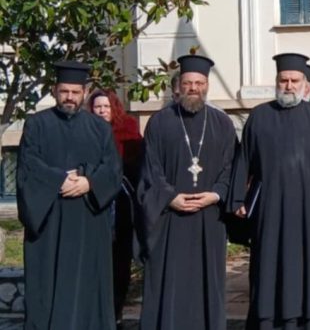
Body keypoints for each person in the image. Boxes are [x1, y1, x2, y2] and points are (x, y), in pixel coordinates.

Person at [229, 53, 310, 330]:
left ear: (304, 84)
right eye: (283, 80)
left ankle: (305, 320)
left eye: (294, 80)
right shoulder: (259, 116)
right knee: (266, 268)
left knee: (304, 272)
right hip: (268, 212)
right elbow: (243, 160)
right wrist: (237, 198)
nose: (288, 85)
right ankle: (266, 320)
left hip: (307, 215)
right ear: (276, 82)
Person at [18, 61, 122, 330]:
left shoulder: (100, 129)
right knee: (48, 285)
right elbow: (29, 165)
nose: (70, 98)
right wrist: (59, 179)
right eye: (64, 91)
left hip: (88, 219)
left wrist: (89, 183)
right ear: (54, 91)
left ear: (85, 92)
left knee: (88, 284)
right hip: (49, 220)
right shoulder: (36, 124)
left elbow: (112, 168)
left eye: (75, 92)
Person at [136, 54, 237, 330]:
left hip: (209, 219)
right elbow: (150, 170)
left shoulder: (222, 124)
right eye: (188, 82)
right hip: (170, 219)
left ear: (207, 86)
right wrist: (171, 197)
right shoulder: (159, 122)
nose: (194, 88)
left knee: (207, 284)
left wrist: (215, 194)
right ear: (178, 85)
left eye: (200, 83)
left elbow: (232, 168)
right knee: (170, 282)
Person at [88, 88, 143, 324]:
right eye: (97, 107)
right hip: (93, 205)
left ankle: (116, 313)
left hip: (121, 205)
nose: (101, 111)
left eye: (106, 106)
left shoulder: (128, 132)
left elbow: (138, 168)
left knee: (119, 262)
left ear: (114, 108)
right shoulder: (85, 131)